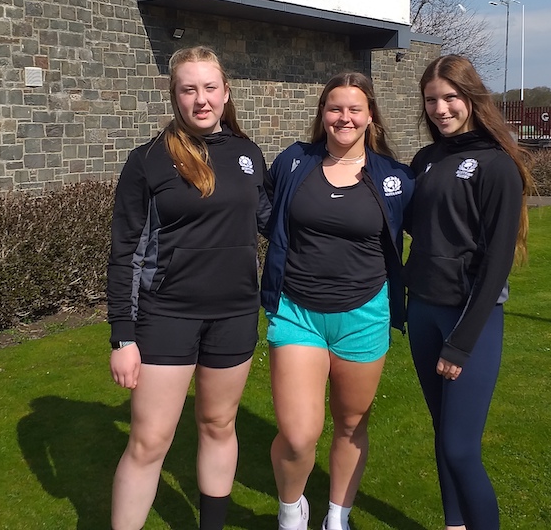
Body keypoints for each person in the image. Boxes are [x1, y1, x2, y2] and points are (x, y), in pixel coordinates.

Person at [106, 46, 270, 530]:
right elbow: (124, 252)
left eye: (210, 88)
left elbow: (273, 222)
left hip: (236, 315)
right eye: (189, 89)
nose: (201, 99)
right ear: (174, 95)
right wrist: (123, 335)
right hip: (166, 317)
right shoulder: (148, 161)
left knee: (218, 426)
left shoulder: (247, 153)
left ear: (226, 92)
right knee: (150, 441)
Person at [260, 72, 415, 530]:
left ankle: (337, 516)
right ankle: (292, 511)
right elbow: (262, 206)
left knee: (350, 425)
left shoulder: (393, 177)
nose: (343, 117)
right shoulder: (294, 161)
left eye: (354, 109)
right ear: (322, 114)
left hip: (364, 313)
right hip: (297, 312)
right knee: (297, 434)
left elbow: (433, 227)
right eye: (334, 108)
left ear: (370, 116)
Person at [404, 55, 534, 530]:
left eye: (451, 97)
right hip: (422, 313)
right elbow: (418, 234)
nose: (441, 108)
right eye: (432, 100)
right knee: (443, 437)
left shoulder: (495, 164)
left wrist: (461, 342)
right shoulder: (425, 160)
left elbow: (497, 262)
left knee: (460, 448)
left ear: (471, 98)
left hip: (468, 321)